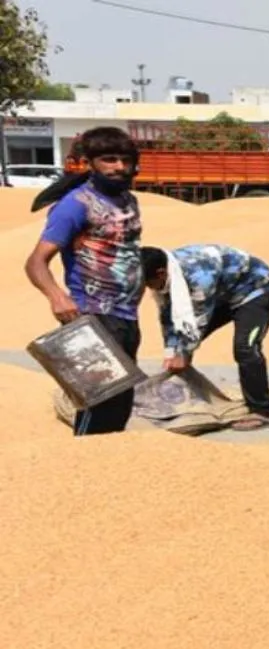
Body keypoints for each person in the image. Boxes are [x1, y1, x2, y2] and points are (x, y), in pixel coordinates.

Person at [23, 127, 144, 436]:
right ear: (90, 163)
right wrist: (57, 297)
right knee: (99, 405)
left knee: (121, 405)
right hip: (92, 316)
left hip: (126, 316)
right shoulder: (76, 204)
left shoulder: (128, 200)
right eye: (109, 159)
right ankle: (84, 465)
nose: (119, 166)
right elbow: (36, 262)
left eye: (125, 159)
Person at [140, 245, 269, 431]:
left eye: (147, 283)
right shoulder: (168, 270)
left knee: (245, 347)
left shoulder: (200, 275)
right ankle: (185, 395)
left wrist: (182, 353)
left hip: (255, 291)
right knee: (180, 350)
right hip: (223, 294)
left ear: (160, 274)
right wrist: (171, 351)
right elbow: (169, 316)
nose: (147, 289)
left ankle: (261, 411)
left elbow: (197, 322)